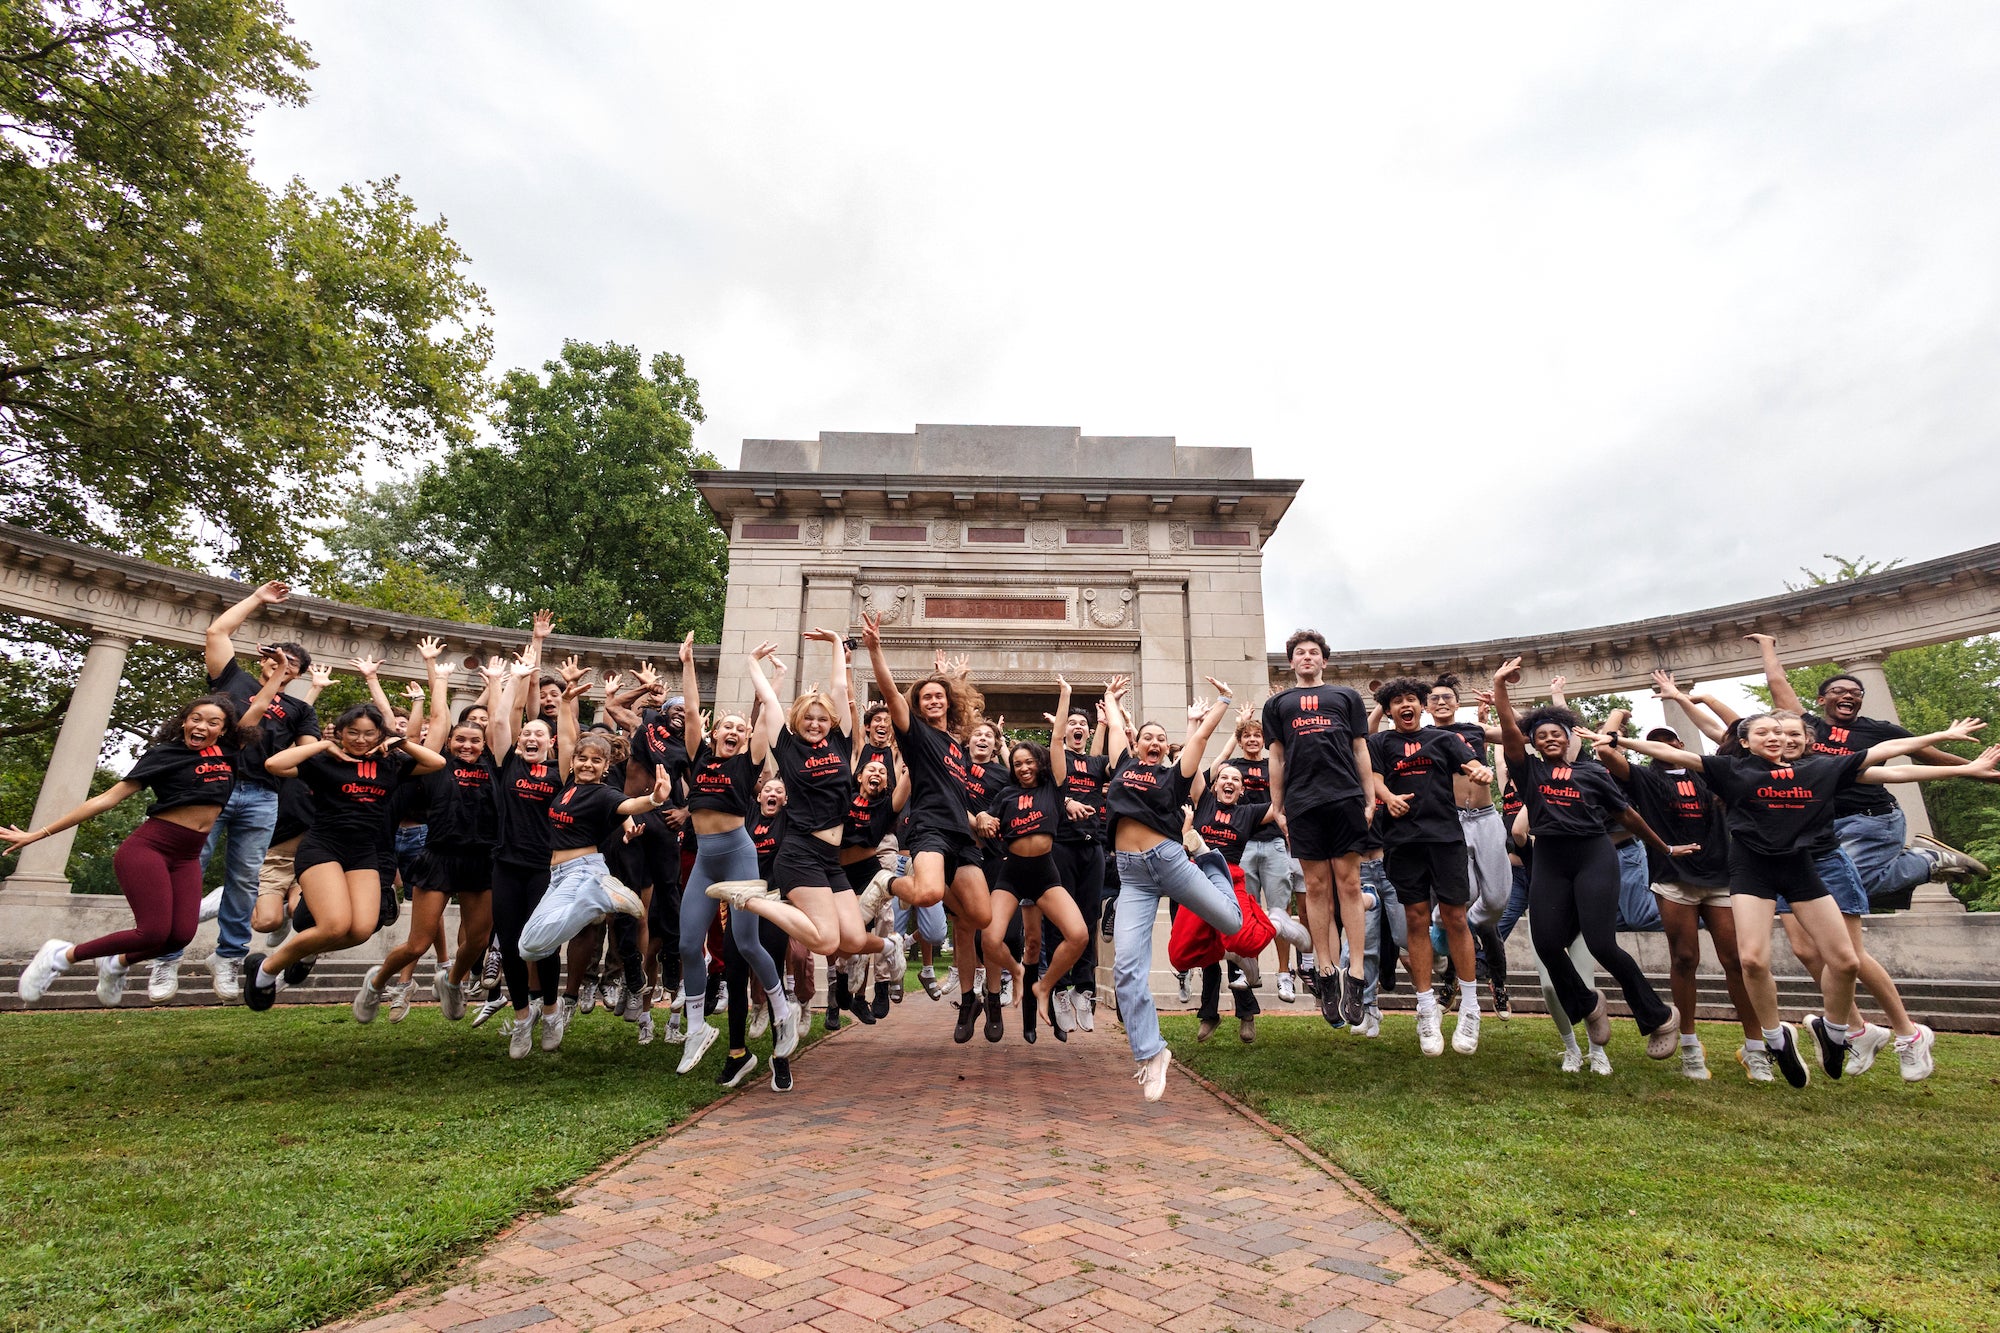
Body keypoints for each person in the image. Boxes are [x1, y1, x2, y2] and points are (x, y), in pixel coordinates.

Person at [1588, 711, 1984, 1087]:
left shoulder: (1818, 769)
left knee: (1845, 960)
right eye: (1762, 732)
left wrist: (1950, 749)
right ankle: (1776, 1039)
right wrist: (1619, 738)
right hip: (1750, 870)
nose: (1774, 737)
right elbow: (1675, 754)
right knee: (1752, 960)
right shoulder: (1732, 770)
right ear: (1744, 741)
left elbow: (1887, 760)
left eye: (1779, 732)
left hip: (1802, 870)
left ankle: (1834, 1030)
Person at [11, 683, 282, 1003]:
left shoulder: (229, 751)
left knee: (179, 936)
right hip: (149, 849)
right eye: (196, 719)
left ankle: (116, 962)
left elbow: (260, 703)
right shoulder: (163, 755)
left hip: (187, 856)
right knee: (152, 932)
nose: (202, 727)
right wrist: (38, 834)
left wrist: (281, 671)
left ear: (223, 731)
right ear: (184, 721)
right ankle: (61, 956)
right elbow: (106, 800)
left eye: (213, 723)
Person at [1491, 657, 1691, 1069]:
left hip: (1593, 855)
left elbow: (1629, 817)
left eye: (1556, 733)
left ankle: (1659, 1016)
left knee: (1602, 943)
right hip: (1549, 857)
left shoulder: (1593, 773)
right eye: (1541, 734)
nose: (1549, 738)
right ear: (1533, 742)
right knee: (1546, 943)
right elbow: (1510, 730)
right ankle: (1589, 1005)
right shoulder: (1529, 772)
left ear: (1567, 738)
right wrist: (1500, 687)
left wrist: (1664, 848)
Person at [144, 581, 318, 1003]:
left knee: (244, 879)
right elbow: (216, 635)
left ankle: (228, 956)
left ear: (299, 674)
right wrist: (258, 599)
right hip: (209, 789)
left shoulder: (299, 709)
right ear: (265, 656)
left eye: (293, 664)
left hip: (261, 796)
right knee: (188, 870)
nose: (285, 664)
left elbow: (305, 757)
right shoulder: (233, 680)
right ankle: (167, 958)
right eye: (281, 657)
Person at [709, 632, 897, 989]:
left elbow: (840, 687)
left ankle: (888, 944)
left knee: (854, 940)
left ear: (832, 722)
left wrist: (836, 644)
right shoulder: (788, 746)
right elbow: (768, 699)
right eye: (808, 718)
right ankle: (755, 900)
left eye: (822, 718)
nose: (815, 723)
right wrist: (752, 662)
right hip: (800, 853)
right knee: (826, 942)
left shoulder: (841, 742)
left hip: (831, 858)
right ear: (797, 721)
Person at [1747, 633, 1988, 906]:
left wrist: (1980, 770)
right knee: (1817, 886)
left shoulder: (1880, 730)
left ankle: (1926, 860)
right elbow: (1777, 683)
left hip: (1871, 818)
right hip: (1824, 822)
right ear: (1821, 700)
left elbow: (1930, 757)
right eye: (1838, 691)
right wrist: (1767, 646)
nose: (1848, 695)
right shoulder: (1807, 729)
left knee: (1845, 881)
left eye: (1855, 693)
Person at [1588, 695, 1757, 1081]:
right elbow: (1605, 751)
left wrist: (1688, 698)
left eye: (1671, 739)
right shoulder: (1644, 779)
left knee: (1736, 960)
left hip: (1719, 878)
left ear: (1682, 745)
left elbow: (1741, 734)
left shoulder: (1710, 774)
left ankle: (1755, 1047)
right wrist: (1617, 719)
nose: (1665, 743)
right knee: (1684, 959)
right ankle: (1690, 1047)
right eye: (1656, 740)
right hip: (1673, 878)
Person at [241, 700, 445, 1009]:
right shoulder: (324, 761)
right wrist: (323, 744)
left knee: (362, 929)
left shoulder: (391, 764)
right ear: (342, 732)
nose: (360, 740)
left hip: (363, 853)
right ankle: (267, 969)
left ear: (380, 734)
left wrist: (401, 741)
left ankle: (293, 959)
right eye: (353, 732)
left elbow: (436, 763)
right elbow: (274, 765)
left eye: (369, 733)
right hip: (323, 847)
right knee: (334, 925)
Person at [506, 662, 663, 1058]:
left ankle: (602, 899)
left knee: (536, 942)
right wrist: (567, 703)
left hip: (584, 872)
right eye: (583, 760)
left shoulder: (603, 795)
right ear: (573, 762)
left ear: (606, 766)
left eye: (596, 762)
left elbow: (630, 803)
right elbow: (570, 738)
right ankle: (601, 900)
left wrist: (655, 800)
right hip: (558, 875)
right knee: (528, 946)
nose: (588, 765)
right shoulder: (567, 785)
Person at [660, 635, 800, 1074]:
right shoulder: (699, 756)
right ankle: (698, 1029)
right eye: (728, 727)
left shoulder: (749, 762)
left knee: (746, 942)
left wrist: (772, 679)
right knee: (687, 943)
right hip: (705, 859)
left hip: (738, 855)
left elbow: (765, 721)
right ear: (715, 732)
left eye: (741, 729)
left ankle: (781, 1008)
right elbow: (690, 717)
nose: (735, 733)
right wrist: (686, 663)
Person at [851, 615, 994, 1043]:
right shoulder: (914, 735)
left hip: (962, 838)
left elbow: (960, 798)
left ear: (948, 703)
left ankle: (969, 999)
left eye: (939, 695)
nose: (933, 700)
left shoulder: (957, 746)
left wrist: (978, 819)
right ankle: (887, 881)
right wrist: (876, 650)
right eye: (926, 696)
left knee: (980, 917)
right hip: (929, 830)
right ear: (918, 705)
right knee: (928, 892)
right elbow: (892, 693)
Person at [1104, 679, 1241, 1101]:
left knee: (1231, 920)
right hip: (1132, 876)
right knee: (1127, 969)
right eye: (1147, 736)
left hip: (1171, 860)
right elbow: (1113, 727)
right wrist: (1111, 699)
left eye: (1161, 739)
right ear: (1136, 742)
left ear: (1166, 748)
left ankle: (1212, 861)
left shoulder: (1175, 776)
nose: (1154, 742)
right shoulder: (1123, 766)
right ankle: (1151, 1052)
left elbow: (1200, 736)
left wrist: (1223, 702)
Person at [354, 638, 496, 1026]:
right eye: (460, 739)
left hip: (480, 859)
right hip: (438, 857)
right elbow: (438, 717)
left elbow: (501, 718)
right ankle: (378, 981)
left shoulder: (494, 767)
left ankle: (450, 981)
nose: (467, 744)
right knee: (418, 942)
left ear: (485, 745)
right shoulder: (435, 765)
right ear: (449, 742)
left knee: (479, 941)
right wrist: (437, 675)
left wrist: (500, 683)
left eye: (475, 740)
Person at [1367, 677, 1495, 1056]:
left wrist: (1480, 771)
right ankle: (1425, 1009)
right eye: (1397, 701)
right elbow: (1373, 777)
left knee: (1456, 918)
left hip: (1445, 838)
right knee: (1416, 918)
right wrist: (1388, 797)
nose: (1405, 705)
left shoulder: (1443, 739)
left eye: (1411, 699)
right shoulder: (1380, 743)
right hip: (1403, 842)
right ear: (1388, 710)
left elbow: (1469, 759)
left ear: (1421, 706)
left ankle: (1471, 1008)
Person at [1262, 629, 1377, 1028]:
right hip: (1302, 802)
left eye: (1313, 652)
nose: (1307, 657)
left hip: (1344, 797)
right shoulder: (1277, 703)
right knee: (1315, 887)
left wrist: (1370, 799)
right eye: (1299, 652)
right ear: (1290, 662)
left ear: (1324, 660)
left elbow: (1360, 749)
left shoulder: (1345, 697)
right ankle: (1326, 972)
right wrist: (1278, 808)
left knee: (1348, 883)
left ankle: (1357, 974)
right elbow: (1276, 757)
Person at [976, 740, 1094, 1044]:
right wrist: (982, 818)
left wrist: (1065, 692)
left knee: (1079, 935)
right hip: (1012, 873)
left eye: (1029, 762)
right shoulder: (1006, 794)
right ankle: (1016, 972)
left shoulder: (1052, 789)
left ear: (1039, 763)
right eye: (1017, 764)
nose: (1024, 768)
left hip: (1044, 873)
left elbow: (1056, 742)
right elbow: (986, 821)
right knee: (989, 939)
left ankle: (1044, 987)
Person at [1187, 760, 1287, 1043]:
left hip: (1229, 884)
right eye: (1224, 778)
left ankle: (1246, 1015)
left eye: (1235, 780)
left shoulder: (1248, 813)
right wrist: (1196, 723)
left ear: (1242, 790)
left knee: (1236, 946)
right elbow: (1191, 762)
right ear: (1215, 784)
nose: (1229, 782)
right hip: (1198, 882)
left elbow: (1280, 803)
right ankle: (1209, 1014)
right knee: (1207, 951)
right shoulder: (1203, 802)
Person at [1212, 708, 1304, 1003]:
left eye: (1258, 735)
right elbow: (1214, 769)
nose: (1252, 739)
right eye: (1247, 735)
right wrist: (1235, 726)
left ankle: (1283, 973)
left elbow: (1291, 765)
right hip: (1244, 844)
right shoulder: (1233, 767)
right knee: (1243, 913)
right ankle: (1245, 964)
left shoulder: (1272, 766)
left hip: (1274, 843)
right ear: (1240, 741)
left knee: (1280, 910)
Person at [1046, 676, 1112, 1030]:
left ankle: (1083, 988)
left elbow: (1109, 755)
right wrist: (1066, 696)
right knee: (1061, 919)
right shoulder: (1056, 760)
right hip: (1062, 847)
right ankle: (1058, 986)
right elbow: (1055, 740)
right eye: (1072, 723)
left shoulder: (1095, 763)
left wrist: (1108, 719)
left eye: (1082, 725)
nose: (1077, 728)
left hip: (1093, 846)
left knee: (1088, 919)